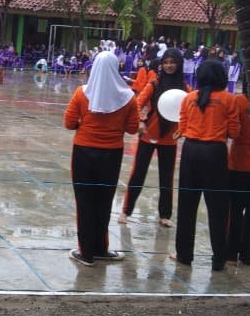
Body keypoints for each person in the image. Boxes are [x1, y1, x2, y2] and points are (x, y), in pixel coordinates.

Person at [64, 50, 139, 266]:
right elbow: (133, 128)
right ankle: (100, 248)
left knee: (84, 201)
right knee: (104, 201)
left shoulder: (81, 93)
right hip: (111, 154)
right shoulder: (128, 97)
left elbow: (69, 123)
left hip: (83, 153)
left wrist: (85, 125)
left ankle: (86, 252)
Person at [172, 59, 239, 270]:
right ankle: (219, 259)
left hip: (190, 151)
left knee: (187, 206)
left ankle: (184, 255)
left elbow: (183, 127)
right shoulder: (229, 99)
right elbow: (234, 132)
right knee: (218, 208)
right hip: (215, 153)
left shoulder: (189, 98)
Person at [122, 47, 187, 227]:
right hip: (148, 136)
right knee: (138, 174)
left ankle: (164, 215)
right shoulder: (154, 84)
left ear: (179, 64)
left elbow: (190, 110)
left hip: (169, 139)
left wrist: (183, 128)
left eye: (173, 62)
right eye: (166, 62)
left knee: (167, 177)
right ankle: (126, 211)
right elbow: (137, 104)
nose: (169, 66)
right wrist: (141, 121)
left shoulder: (184, 88)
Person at [225, 74, 250, 265]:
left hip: (238, 165)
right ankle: (247, 255)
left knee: (235, 211)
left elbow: (233, 131)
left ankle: (231, 254)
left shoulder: (239, 101)